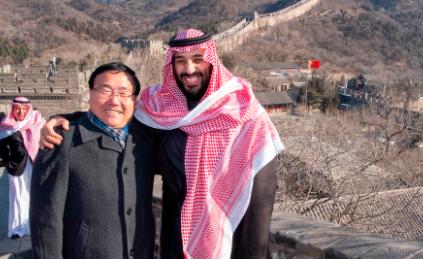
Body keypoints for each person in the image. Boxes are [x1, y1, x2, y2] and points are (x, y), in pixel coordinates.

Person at [41, 29, 284, 259]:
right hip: (174, 241)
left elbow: (260, 204)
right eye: (180, 61)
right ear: (171, 64)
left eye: (198, 59)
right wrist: (68, 120)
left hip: (229, 241)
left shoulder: (245, 115)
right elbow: (114, 113)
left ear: (212, 60)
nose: (189, 69)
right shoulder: (160, 112)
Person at [30, 63, 156, 259]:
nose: (114, 100)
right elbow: (45, 220)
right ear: (90, 93)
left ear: (134, 101)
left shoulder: (144, 142)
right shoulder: (62, 142)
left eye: (124, 93)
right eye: (105, 90)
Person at [0, 97, 44, 239]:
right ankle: (17, 229)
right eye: (18, 108)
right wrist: (7, 161)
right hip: (16, 167)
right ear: (13, 109)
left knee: (34, 195)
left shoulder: (37, 123)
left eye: (24, 109)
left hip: (35, 164)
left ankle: (33, 226)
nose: (21, 111)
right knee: (17, 197)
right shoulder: (7, 126)